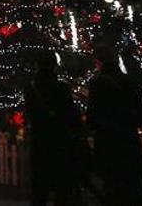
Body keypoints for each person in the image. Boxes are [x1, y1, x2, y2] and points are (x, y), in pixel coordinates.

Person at [87, 43, 142, 206]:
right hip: (130, 145)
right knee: (133, 195)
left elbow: (92, 120)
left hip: (109, 148)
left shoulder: (97, 84)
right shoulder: (131, 83)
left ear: (99, 62)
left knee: (112, 193)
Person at [24, 50, 85, 206]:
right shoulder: (61, 88)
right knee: (62, 190)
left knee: (39, 191)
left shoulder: (31, 89)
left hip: (40, 142)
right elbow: (71, 116)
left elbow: (30, 115)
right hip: (60, 142)